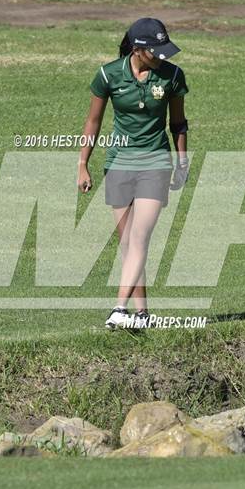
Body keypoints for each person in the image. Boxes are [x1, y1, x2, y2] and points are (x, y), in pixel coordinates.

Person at [77, 17, 189, 329]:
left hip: (155, 163)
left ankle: (119, 309)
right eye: (157, 50)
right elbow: (93, 122)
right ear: (139, 49)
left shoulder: (172, 76)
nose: (163, 55)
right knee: (128, 243)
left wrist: (182, 162)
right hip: (119, 164)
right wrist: (82, 164)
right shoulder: (108, 74)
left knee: (139, 237)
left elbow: (178, 123)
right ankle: (143, 315)